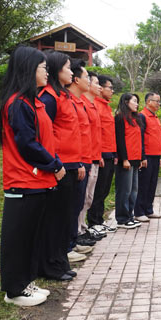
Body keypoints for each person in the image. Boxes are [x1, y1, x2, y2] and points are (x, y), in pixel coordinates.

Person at [0, 46, 65, 306]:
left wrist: (52, 163)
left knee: (31, 237)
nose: (46, 73)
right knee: (18, 238)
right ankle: (14, 290)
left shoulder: (32, 102)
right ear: (28, 70)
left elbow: (43, 140)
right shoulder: (17, 104)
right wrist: (54, 164)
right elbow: (27, 144)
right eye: (42, 68)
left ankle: (25, 282)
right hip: (23, 181)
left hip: (37, 180)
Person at [38, 51, 83, 281]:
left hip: (72, 163)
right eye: (67, 67)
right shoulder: (48, 98)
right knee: (55, 218)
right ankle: (51, 265)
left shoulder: (63, 95)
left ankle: (60, 260)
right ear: (57, 70)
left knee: (66, 216)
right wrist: (55, 164)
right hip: (60, 166)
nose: (71, 72)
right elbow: (45, 134)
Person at [65, 60, 96, 263]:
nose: (94, 82)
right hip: (71, 162)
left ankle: (72, 242)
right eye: (87, 77)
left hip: (84, 159)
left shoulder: (78, 102)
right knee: (70, 207)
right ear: (76, 80)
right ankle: (66, 246)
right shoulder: (64, 100)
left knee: (79, 203)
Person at [87, 75, 117, 232]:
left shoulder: (106, 106)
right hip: (101, 154)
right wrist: (98, 154)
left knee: (104, 190)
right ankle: (93, 222)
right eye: (109, 87)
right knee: (97, 190)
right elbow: (95, 133)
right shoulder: (95, 105)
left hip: (110, 153)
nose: (111, 90)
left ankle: (99, 220)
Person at [77, 71, 106, 240]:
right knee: (81, 199)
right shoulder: (82, 104)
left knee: (88, 198)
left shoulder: (92, 106)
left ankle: (82, 228)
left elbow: (94, 135)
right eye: (95, 82)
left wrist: (98, 154)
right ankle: (78, 232)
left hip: (93, 157)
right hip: (83, 159)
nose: (97, 86)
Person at [115, 93, 145, 229]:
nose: (137, 104)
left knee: (134, 190)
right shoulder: (120, 118)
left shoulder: (135, 119)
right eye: (134, 101)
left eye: (137, 101)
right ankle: (122, 218)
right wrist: (124, 159)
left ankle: (129, 216)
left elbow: (138, 140)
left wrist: (140, 158)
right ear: (126, 102)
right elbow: (120, 140)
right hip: (126, 160)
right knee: (124, 190)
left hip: (135, 159)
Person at [134, 92, 161, 222]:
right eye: (156, 101)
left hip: (155, 156)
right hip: (147, 156)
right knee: (143, 184)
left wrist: (160, 156)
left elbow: (156, 138)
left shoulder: (155, 117)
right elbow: (139, 137)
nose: (158, 104)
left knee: (152, 184)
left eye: (159, 101)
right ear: (148, 102)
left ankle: (148, 209)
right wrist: (142, 156)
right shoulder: (142, 116)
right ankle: (139, 211)